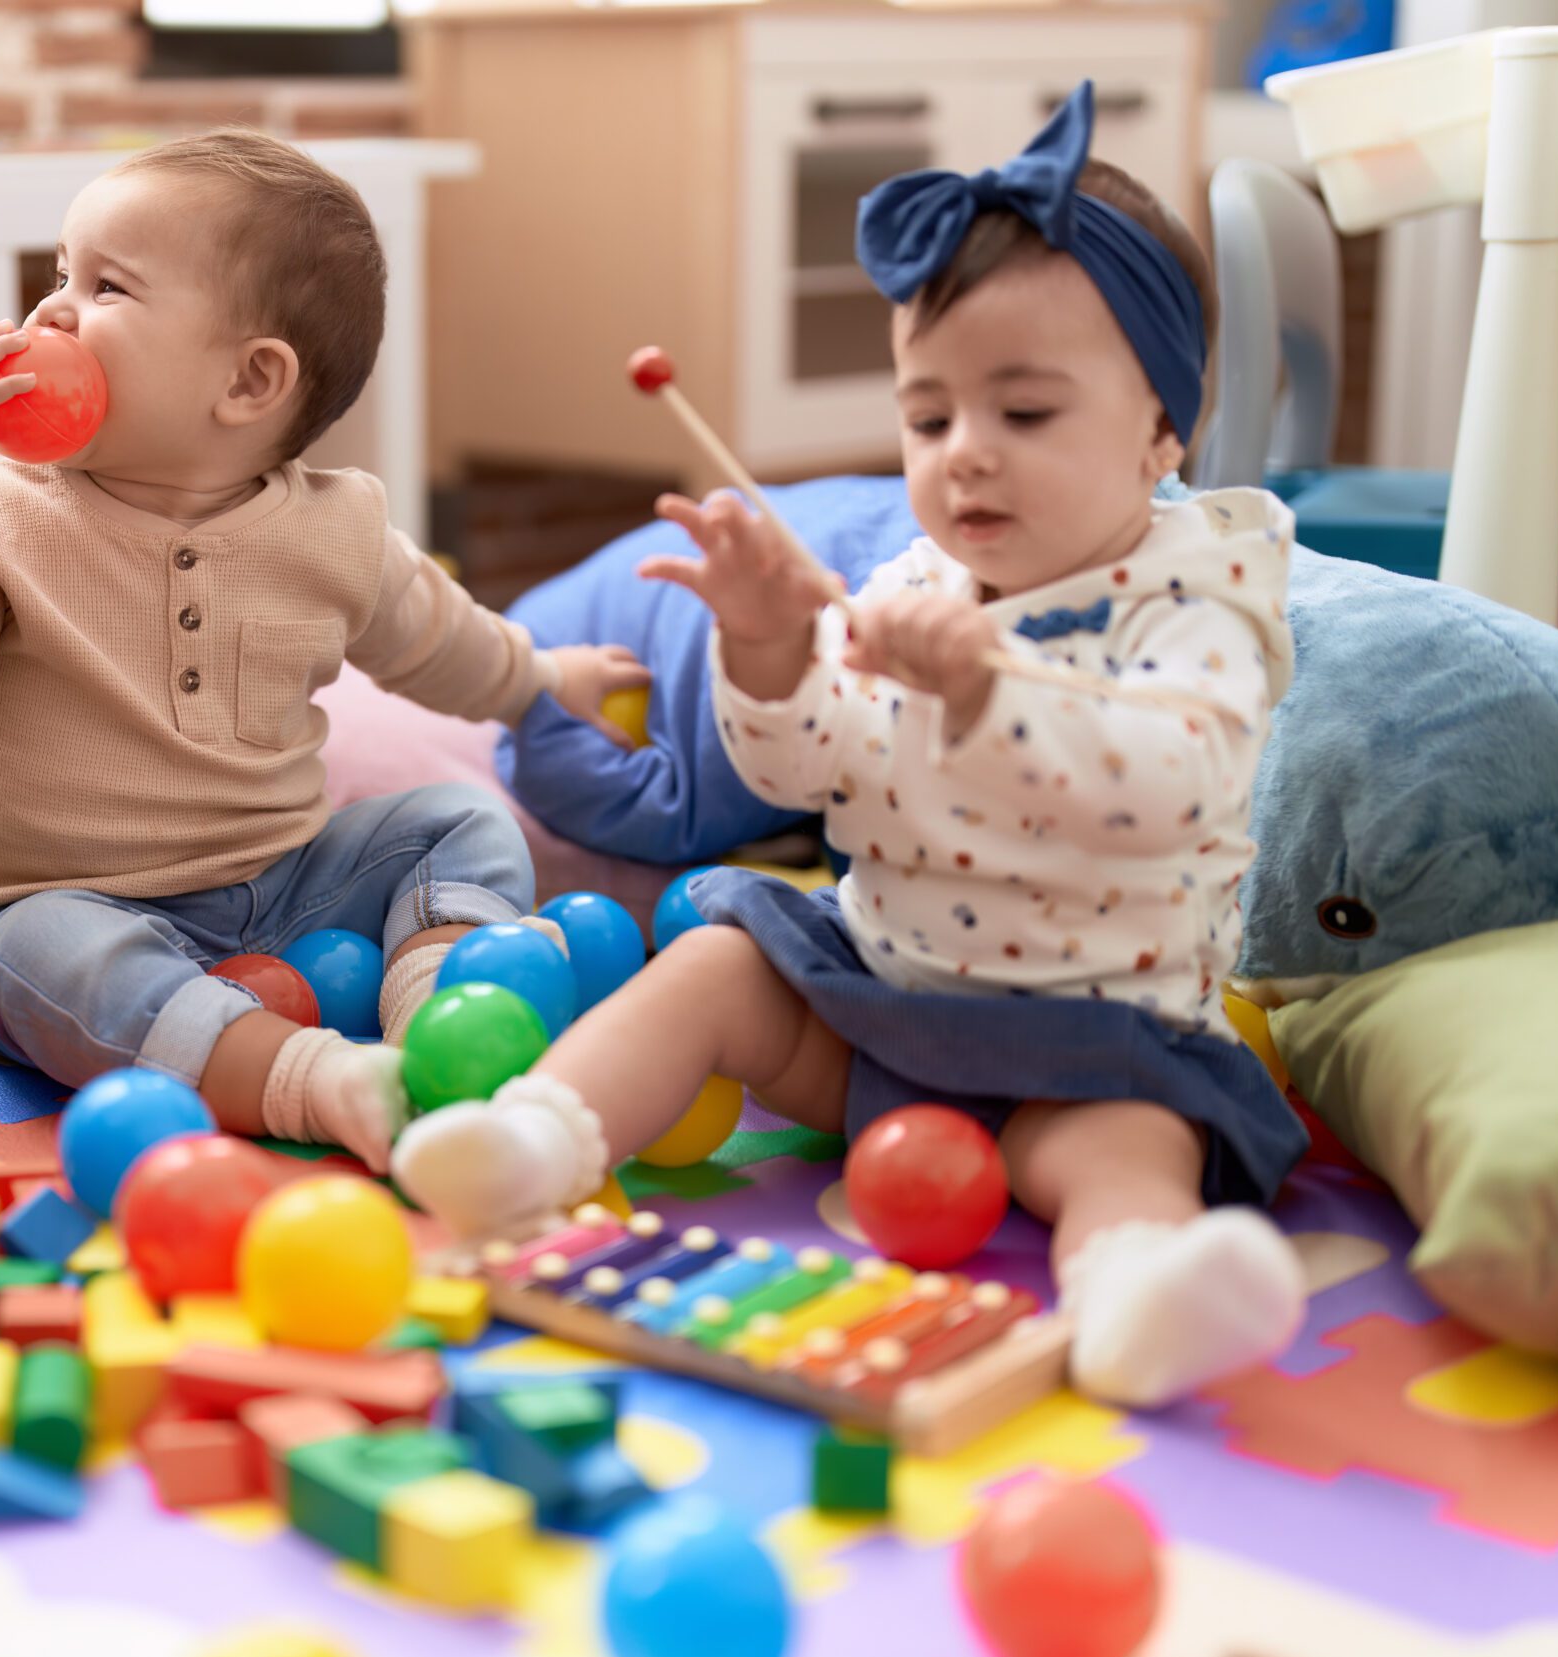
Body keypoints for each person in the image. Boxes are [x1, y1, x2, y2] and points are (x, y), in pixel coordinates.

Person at [391, 85, 1309, 1408]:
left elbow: (1172, 784)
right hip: (879, 1004)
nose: (966, 458)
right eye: (929, 419)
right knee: (711, 960)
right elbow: (799, 770)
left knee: (1130, 1148)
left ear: (1164, 427)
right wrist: (766, 648)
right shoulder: (917, 575)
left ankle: (1133, 1299)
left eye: (1026, 414)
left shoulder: (1202, 601)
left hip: (1092, 1042)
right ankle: (534, 1137)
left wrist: (991, 696)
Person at [0, 129, 646, 1172]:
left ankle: (438, 1031)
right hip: (65, 900)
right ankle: (320, 1083)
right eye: (57, 276)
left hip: (281, 887)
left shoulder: (336, 529)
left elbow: (437, 643)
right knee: (23, 955)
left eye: (107, 288)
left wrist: (543, 678)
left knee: (459, 820)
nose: (50, 313)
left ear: (250, 382)